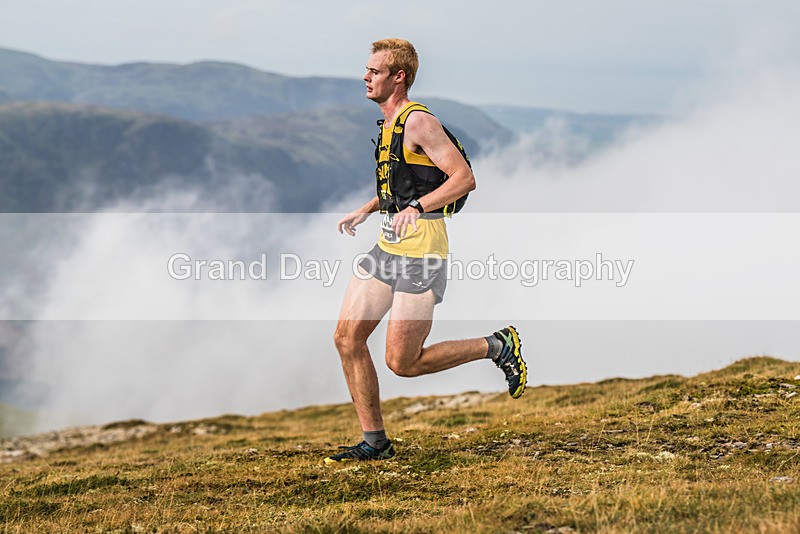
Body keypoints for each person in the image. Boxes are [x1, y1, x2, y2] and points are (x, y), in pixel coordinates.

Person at [326, 38, 526, 464]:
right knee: (347, 338)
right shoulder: (389, 124)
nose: (365, 77)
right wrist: (368, 207)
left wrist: (417, 207)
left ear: (399, 77)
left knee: (404, 361)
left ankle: (497, 346)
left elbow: (463, 178)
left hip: (423, 252)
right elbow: (409, 184)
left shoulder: (419, 122)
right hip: (387, 246)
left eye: (375, 71)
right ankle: (375, 442)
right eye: (367, 70)